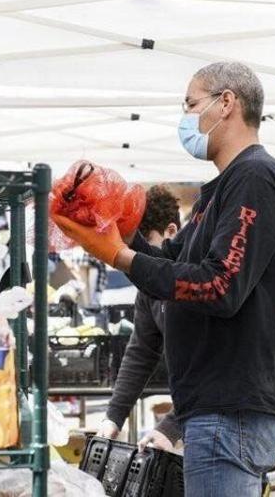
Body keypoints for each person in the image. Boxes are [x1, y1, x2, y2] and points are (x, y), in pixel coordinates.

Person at [54, 61, 275, 497]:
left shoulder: (255, 178)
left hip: (230, 409)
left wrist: (121, 254)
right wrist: (110, 230)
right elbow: (172, 260)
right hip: (217, 410)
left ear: (227, 103)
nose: (185, 117)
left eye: (190, 104)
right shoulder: (223, 187)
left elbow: (219, 285)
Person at [97, 185, 183, 450]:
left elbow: (214, 370)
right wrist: (113, 417)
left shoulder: (194, 281)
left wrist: (171, 427)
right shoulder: (150, 290)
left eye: (145, 247)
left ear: (172, 233)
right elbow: (141, 352)